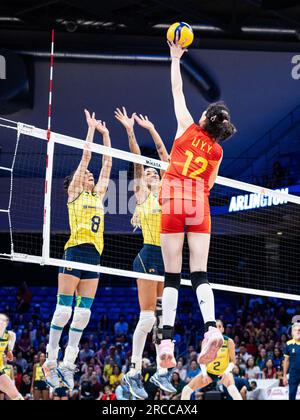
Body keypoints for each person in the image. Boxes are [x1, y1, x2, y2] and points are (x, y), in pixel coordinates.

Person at [157, 36, 236, 369]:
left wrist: (176, 58)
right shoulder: (217, 150)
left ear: (205, 118)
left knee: (172, 276)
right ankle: (209, 328)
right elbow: (211, 182)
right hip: (198, 204)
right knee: (200, 272)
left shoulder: (187, 127)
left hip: (174, 199)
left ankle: (165, 342)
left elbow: (177, 91)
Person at [43, 110, 112, 390]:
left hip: (94, 257)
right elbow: (86, 157)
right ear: (78, 180)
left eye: (90, 176)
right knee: (63, 312)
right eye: (86, 175)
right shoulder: (75, 193)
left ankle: (68, 364)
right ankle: (50, 359)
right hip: (74, 252)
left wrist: (106, 134)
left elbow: (107, 162)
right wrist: (91, 130)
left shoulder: (98, 196)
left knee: (83, 315)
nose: (91, 175)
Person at [115, 107, 176, 398]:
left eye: (155, 173)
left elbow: (167, 159)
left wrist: (152, 129)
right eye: (148, 173)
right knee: (148, 318)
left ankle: (162, 373)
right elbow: (138, 160)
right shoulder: (142, 194)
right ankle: (133, 371)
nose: (152, 174)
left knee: (165, 318)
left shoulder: (167, 192)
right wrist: (131, 130)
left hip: (168, 256)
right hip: (148, 255)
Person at [181, 320, 242, 400]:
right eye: (215, 327)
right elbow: (202, 361)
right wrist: (205, 374)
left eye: (219, 326)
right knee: (186, 390)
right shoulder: (206, 341)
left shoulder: (229, 342)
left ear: (223, 329)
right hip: (209, 372)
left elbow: (233, 361)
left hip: (223, 372)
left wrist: (226, 372)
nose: (217, 328)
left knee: (233, 390)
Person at [0, 313, 23, 400]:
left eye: (3, 322)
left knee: (16, 395)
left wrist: (10, 350)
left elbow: (13, 335)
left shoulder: (8, 335)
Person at [283, 322, 300, 400]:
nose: (298, 331)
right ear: (292, 332)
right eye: (296, 330)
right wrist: (284, 376)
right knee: (291, 395)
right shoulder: (288, 344)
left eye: (299, 330)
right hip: (293, 374)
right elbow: (286, 361)